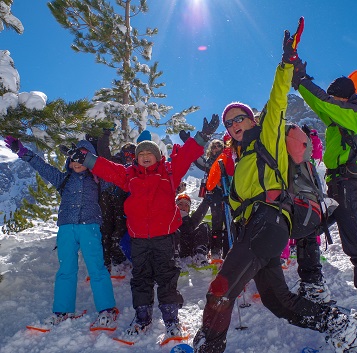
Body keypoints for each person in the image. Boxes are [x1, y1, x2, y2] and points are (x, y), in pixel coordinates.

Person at [192, 26, 357, 353]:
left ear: (251, 120)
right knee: (279, 301)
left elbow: (276, 98)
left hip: (270, 219)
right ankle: (341, 326)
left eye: (239, 118)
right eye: (229, 122)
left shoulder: (267, 135)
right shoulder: (239, 156)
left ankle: (208, 347)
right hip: (253, 230)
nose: (234, 124)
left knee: (221, 287)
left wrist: (286, 63)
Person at [67, 117, 219, 339]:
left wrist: (202, 137)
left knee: (167, 277)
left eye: (150, 154)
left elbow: (186, 155)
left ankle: (171, 319)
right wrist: (85, 158)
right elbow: (106, 168)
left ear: (157, 157)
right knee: (141, 278)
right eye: (141, 155)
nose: (145, 157)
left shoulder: (168, 173)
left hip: (164, 238)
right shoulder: (129, 175)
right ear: (136, 159)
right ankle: (142, 317)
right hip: (139, 238)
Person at [292, 61, 357, 329]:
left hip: (349, 186)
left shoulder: (355, 114)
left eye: (335, 98)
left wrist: (300, 79)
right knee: (309, 228)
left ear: (343, 98)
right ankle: (315, 287)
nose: (331, 101)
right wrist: (303, 80)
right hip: (338, 186)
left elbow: (322, 102)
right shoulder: (342, 117)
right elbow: (320, 105)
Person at [3, 136, 118, 330]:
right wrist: (22, 151)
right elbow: (42, 166)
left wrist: (94, 161)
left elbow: (115, 174)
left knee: (97, 269)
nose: (77, 163)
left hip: (89, 228)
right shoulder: (63, 179)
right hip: (66, 229)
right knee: (66, 270)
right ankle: (63, 311)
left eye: (82, 159)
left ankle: (107, 310)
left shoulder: (99, 180)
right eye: (74, 159)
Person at [96, 128, 135, 274]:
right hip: (107, 197)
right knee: (105, 229)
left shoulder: (135, 170)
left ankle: (117, 259)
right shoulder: (115, 163)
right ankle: (106, 262)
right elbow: (103, 152)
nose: (129, 157)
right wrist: (104, 133)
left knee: (119, 230)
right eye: (127, 154)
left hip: (123, 200)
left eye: (132, 154)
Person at [192, 139, 227, 259]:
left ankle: (228, 251)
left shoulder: (226, 160)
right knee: (217, 223)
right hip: (214, 195)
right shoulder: (208, 163)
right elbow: (197, 160)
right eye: (214, 146)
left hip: (227, 195)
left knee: (228, 224)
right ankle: (216, 251)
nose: (216, 148)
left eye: (218, 146)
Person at [174, 193, 211, 269]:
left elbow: (200, 213)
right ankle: (174, 260)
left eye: (186, 205)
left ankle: (199, 255)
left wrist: (207, 201)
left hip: (189, 248)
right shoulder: (170, 219)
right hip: (176, 248)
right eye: (180, 204)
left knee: (204, 226)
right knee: (174, 232)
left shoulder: (190, 221)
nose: (183, 207)